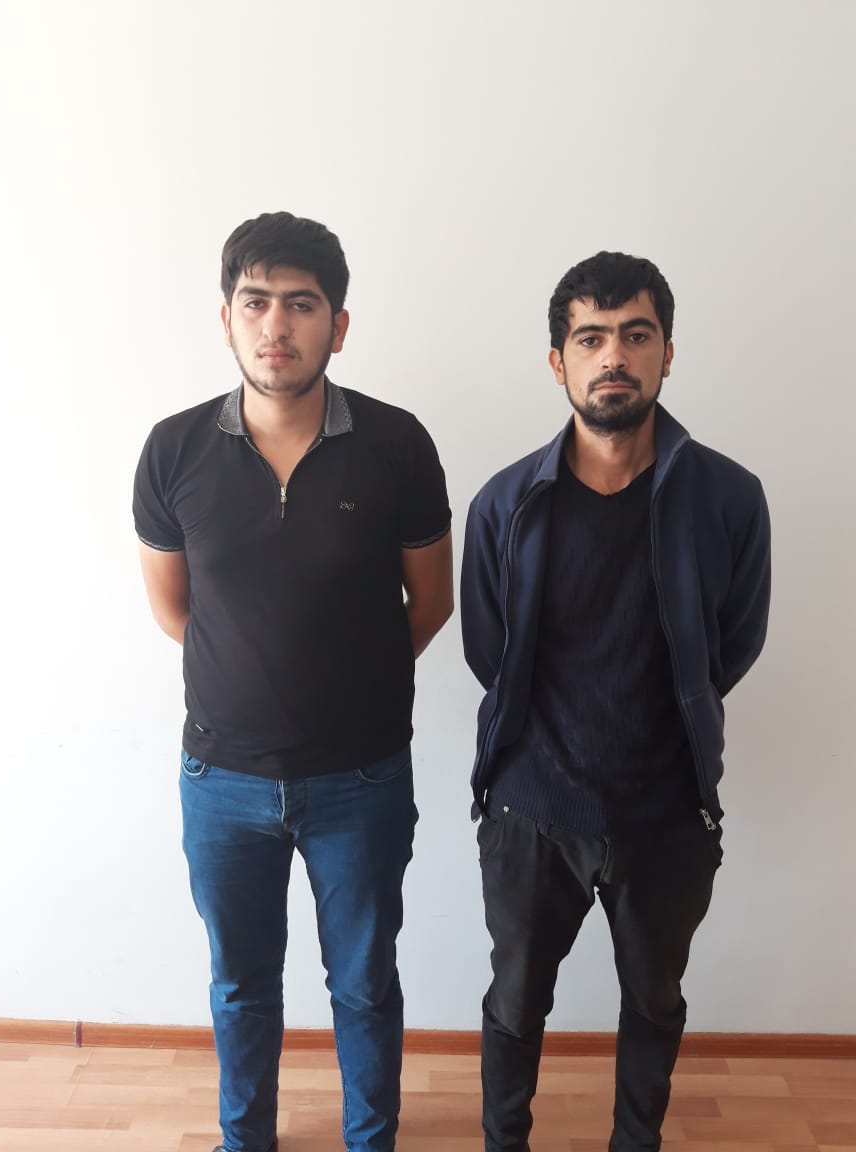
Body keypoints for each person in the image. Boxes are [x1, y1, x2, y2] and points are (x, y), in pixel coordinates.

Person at [133, 211, 453, 1152]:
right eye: (256, 302)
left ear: (338, 326)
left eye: (302, 304)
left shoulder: (397, 444)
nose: (277, 325)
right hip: (221, 781)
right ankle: (247, 1141)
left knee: (364, 983)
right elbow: (175, 611)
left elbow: (430, 603)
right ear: (226, 319)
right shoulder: (173, 450)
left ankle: (371, 1139)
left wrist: (348, 683)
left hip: (362, 777)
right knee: (240, 986)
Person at [461, 251, 770, 1152]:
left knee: (654, 1000)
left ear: (667, 354)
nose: (613, 357)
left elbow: (733, 643)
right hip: (530, 809)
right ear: (557, 360)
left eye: (636, 336)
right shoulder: (506, 505)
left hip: (666, 812)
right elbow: (490, 652)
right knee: (515, 1002)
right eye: (590, 337)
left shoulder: (729, 497)